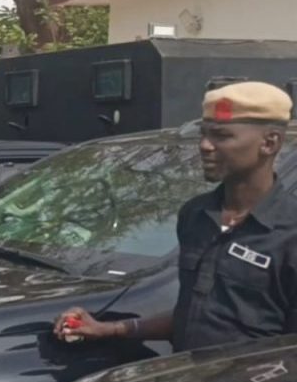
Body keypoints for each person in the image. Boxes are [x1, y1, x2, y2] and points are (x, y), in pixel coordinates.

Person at [55, 81, 297, 352]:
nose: (205, 146)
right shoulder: (196, 215)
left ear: (269, 142)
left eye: (222, 136)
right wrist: (110, 329)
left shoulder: (289, 233)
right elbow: (194, 317)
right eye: (204, 134)